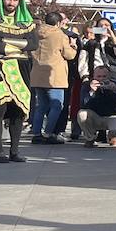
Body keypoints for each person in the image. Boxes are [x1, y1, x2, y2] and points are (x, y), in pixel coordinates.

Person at [0, 0, 38, 164]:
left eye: (14, 0)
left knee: (18, 110)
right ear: (2, 0)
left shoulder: (27, 22)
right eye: (8, 0)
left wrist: (4, 41)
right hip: (0, 66)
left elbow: (33, 44)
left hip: (22, 68)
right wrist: (20, 46)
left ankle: (14, 152)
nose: (11, 3)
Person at [28, 11, 77, 144]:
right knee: (57, 105)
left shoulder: (35, 33)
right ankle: (49, 133)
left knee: (41, 106)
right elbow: (69, 55)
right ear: (58, 23)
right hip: (54, 76)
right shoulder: (59, 35)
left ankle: (37, 133)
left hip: (37, 75)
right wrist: (73, 45)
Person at [77, 67, 116, 147]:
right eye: (98, 76)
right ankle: (90, 138)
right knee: (82, 114)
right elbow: (82, 105)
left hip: (112, 116)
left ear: (109, 76)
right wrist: (91, 92)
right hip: (95, 117)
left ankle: (112, 136)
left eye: (104, 76)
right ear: (93, 77)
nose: (101, 79)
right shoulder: (87, 86)